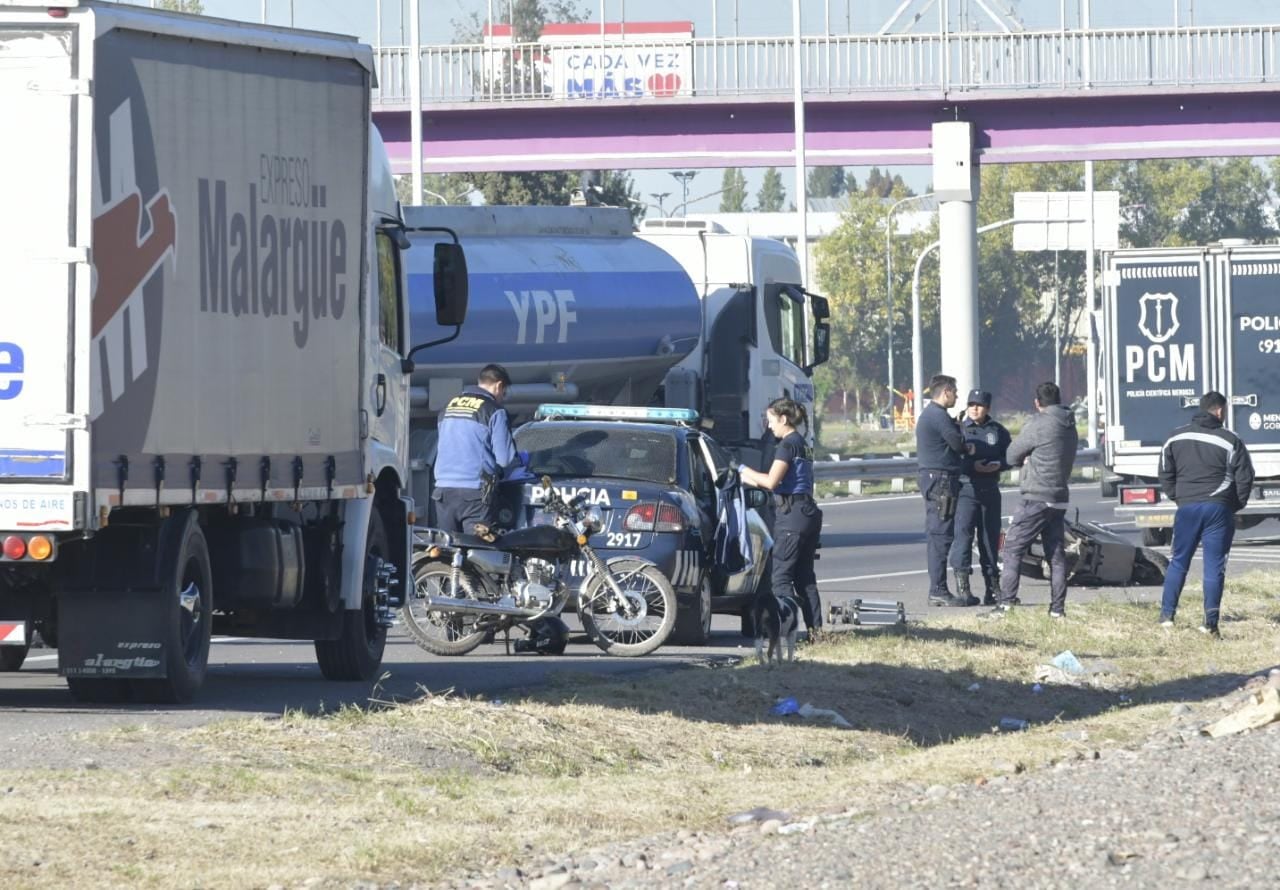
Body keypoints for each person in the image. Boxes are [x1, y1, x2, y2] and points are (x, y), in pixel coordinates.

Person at [1157, 391, 1254, 638]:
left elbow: (1165, 474)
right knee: (1214, 566)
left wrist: (1178, 497)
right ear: (1219, 411)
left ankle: (1167, 617)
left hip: (1186, 507)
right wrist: (1234, 505)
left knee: (1178, 562)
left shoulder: (1174, 437)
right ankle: (1209, 623)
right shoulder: (1231, 439)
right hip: (1218, 509)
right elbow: (1245, 477)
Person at [738, 398, 823, 634]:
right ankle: (817, 633)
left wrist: (742, 470)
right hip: (808, 512)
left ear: (783, 419)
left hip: (792, 516)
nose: (769, 426)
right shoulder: (802, 443)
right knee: (805, 578)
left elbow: (771, 481)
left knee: (781, 579)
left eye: (771, 420)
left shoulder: (787, 445)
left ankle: (786, 632)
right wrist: (752, 478)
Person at [994, 381, 1079, 617]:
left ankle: (1006, 604)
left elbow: (1011, 455)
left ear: (1037, 402)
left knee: (1012, 548)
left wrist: (1028, 457)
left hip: (1036, 496)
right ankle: (1057, 610)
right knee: (1056, 554)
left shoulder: (1039, 423)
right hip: (1059, 495)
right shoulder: (1069, 424)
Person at [431, 364, 517, 536]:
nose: (502, 397)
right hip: (475, 494)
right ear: (498, 386)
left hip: (442, 492)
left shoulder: (448, 407)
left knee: (448, 552)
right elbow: (505, 459)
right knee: (476, 553)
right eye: (504, 392)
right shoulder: (493, 410)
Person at [916, 374, 975, 606]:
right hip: (940, 481)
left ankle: (938, 588)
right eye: (955, 392)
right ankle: (938, 590)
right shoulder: (939, 416)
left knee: (939, 533)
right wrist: (965, 443)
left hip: (937, 479)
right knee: (941, 535)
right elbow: (958, 444)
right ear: (945, 392)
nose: (957, 396)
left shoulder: (933, 415)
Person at [949, 390, 1011, 606]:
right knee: (963, 537)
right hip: (966, 489)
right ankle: (963, 588)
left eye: (980, 405)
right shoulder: (959, 429)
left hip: (990, 489)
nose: (975, 408)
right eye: (971, 404)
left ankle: (993, 589)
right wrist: (971, 466)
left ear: (988, 408)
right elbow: (951, 458)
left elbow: (1011, 455)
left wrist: (999, 465)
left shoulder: (998, 431)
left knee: (989, 539)